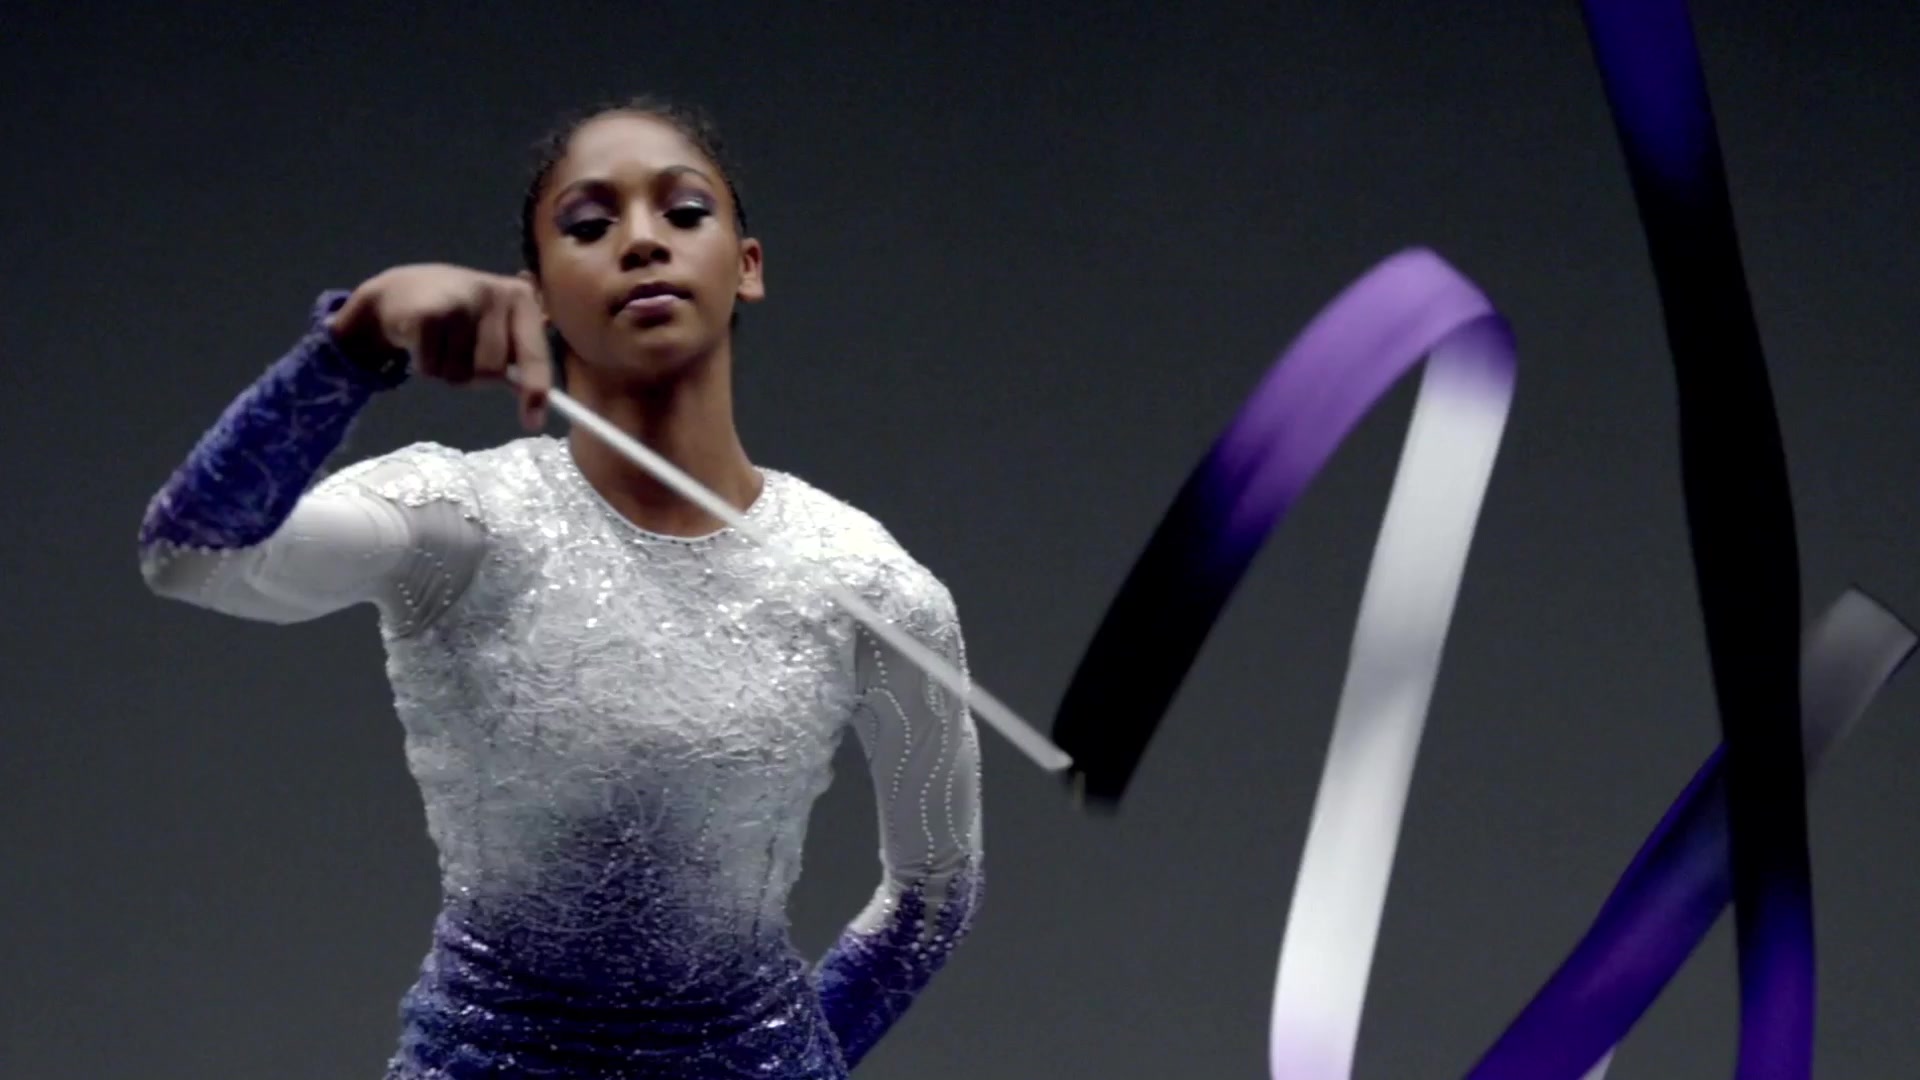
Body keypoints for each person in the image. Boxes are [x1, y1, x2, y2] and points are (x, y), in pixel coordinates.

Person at [137, 96, 983, 1079]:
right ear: (536, 296)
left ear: (747, 265)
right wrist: (356, 342)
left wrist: (775, 1059)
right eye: (588, 224)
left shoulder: (866, 583)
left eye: (685, 211)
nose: (642, 241)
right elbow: (192, 554)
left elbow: (934, 892)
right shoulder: (459, 523)